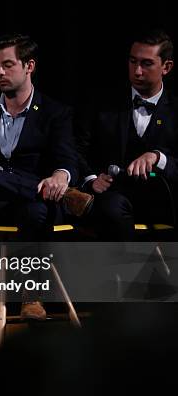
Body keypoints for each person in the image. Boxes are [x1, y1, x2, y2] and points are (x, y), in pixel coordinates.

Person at [0, 34, 91, 320]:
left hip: (29, 208)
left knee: (36, 210)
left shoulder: (55, 112)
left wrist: (61, 177)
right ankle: (43, 191)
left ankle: (31, 296)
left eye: (8, 65)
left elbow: (68, 159)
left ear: (29, 66)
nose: (0, 72)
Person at [76, 29, 178, 241]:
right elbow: (77, 149)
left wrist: (158, 158)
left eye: (146, 64)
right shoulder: (102, 103)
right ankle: (127, 273)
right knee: (109, 209)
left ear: (166, 67)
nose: (137, 71)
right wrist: (91, 179)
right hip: (115, 195)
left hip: (166, 199)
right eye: (133, 62)